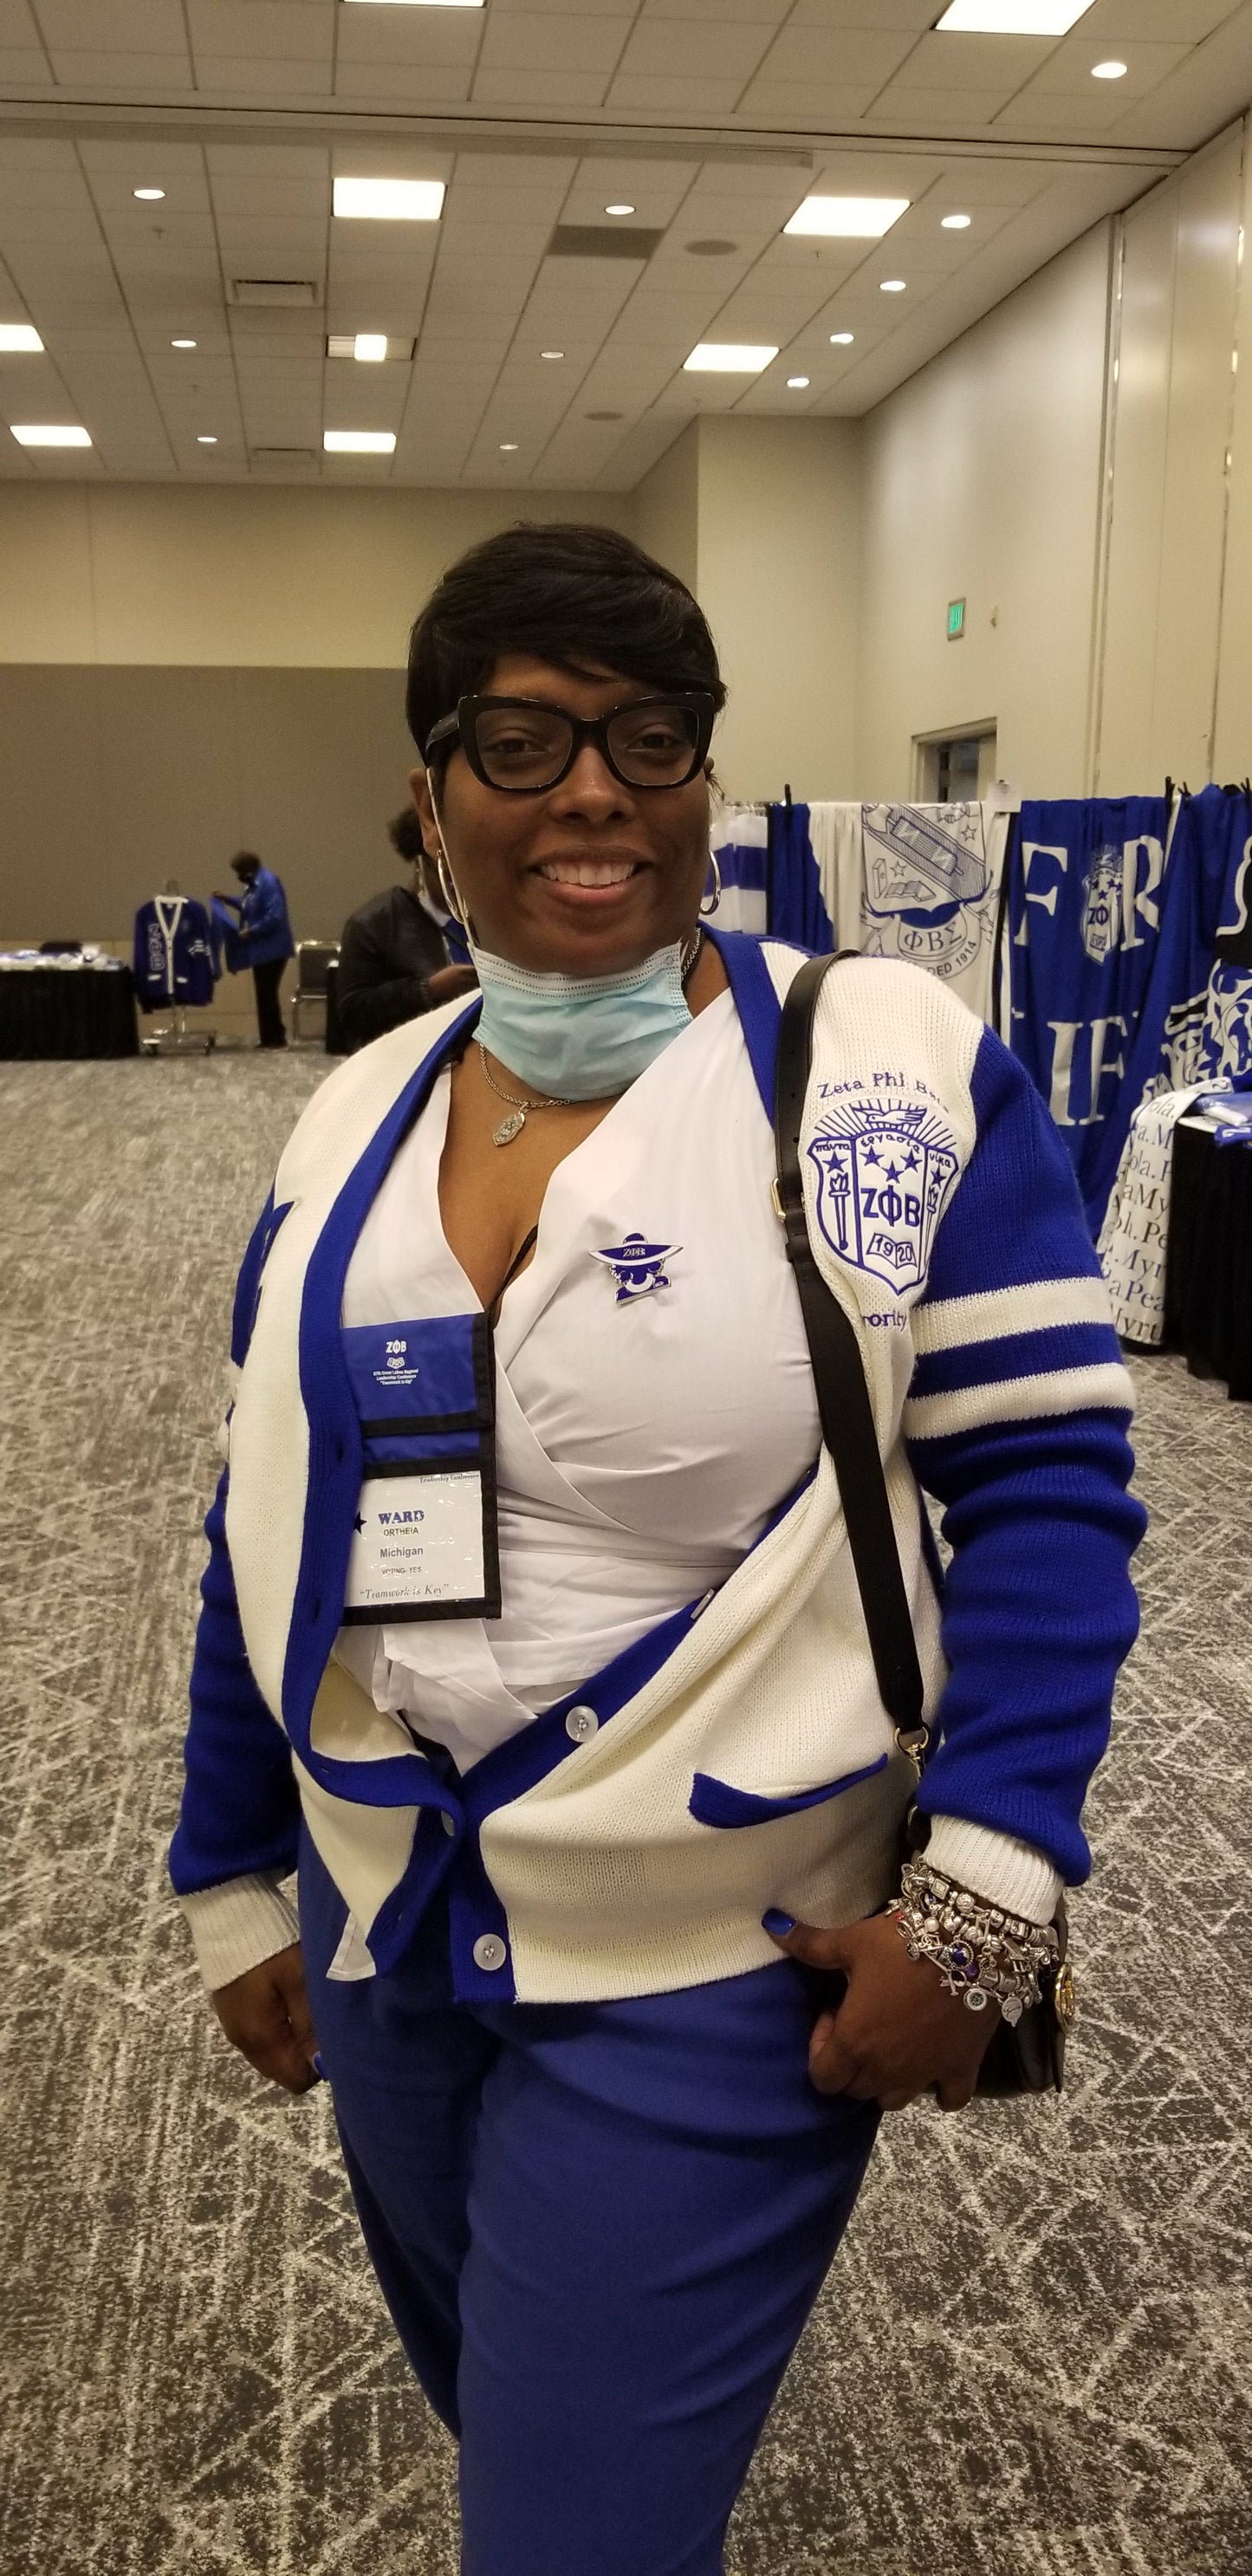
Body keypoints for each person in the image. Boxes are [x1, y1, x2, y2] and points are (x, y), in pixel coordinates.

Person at [171, 524, 1145, 2576]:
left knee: (562, 2532)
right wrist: (227, 1864)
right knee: (521, 2421)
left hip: (718, 1942)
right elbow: (264, 1515)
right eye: (520, 741)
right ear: (430, 794)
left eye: (648, 735)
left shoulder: (877, 1065)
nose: (592, 790)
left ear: (705, 771)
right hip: (390, 1924)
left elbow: (1047, 1489)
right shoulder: (350, 1113)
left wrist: (985, 1900)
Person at [336, 805, 477, 1052]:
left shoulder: (489, 917)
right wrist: (428, 989)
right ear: (420, 864)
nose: (456, 881)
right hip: (408, 1057)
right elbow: (353, 1013)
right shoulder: (373, 924)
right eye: (445, 869)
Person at [212, 850, 295, 1048]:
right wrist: (228, 898)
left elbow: (275, 915)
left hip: (274, 949)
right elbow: (249, 906)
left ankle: (276, 1039)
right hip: (262, 950)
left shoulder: (268, 882)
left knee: (267, 993)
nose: (238, 876)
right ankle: (269, 1038)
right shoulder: (254, 885)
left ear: (247, 869)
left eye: (238, 871)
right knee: (263, 994)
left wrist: (252, 930)